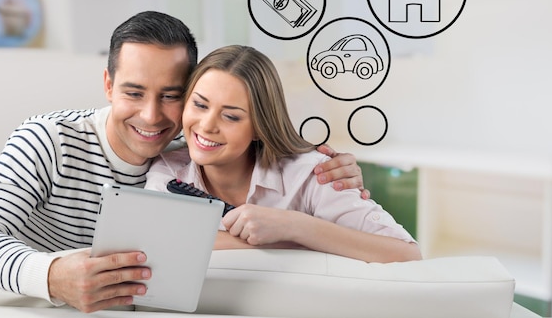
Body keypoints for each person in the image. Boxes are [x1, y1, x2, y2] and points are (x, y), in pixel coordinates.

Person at [0, 11, 367, 313]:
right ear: (108, 84)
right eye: (133, 92)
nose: (151, 116)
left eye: (171, 95)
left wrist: (333, 171)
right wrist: (54, 275)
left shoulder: (192, 150)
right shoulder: (49, 139)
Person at [146, 45, 421, 263]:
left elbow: (406, 254)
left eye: (231, 116)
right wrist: (289, 244)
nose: (206, 126)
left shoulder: (313, 174)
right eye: (199, 105)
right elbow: (157, 243)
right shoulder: (169, 170)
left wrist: (296, 226)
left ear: (258, 127)